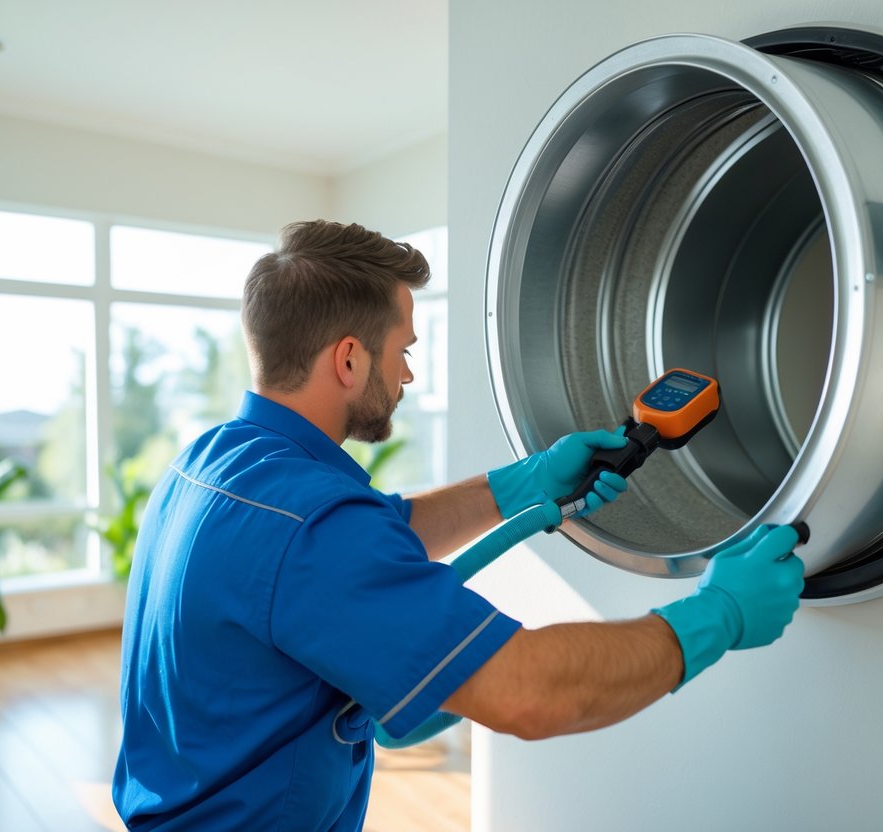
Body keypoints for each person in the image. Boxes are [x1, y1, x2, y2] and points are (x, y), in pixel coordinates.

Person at [112, 220, 805, 831]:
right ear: (349, 359)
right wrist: (719, 615)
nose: (408, 374)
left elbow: (373, 540)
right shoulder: (312, 525)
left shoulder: (217, 461)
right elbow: (529, 695)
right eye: (402, 350)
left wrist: (522, 484)